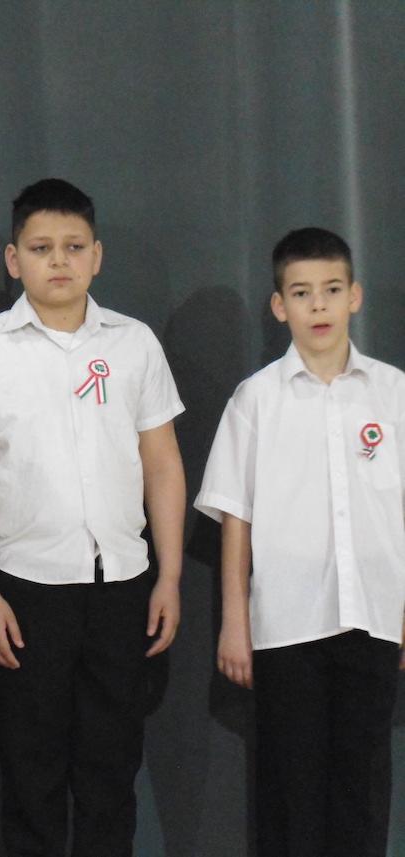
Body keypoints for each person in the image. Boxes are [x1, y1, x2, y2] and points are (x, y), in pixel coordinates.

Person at [0, 178, 185, 857]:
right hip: (25, 591)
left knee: (111, 776)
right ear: (14, 260)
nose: (59, 261)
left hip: (122, 586)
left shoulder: (133, 344)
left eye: (74, 247)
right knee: (31, 777)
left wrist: (168, 577)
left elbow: (163, 466)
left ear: (96, 256)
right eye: (41, 247)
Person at [195, 227, 405, 857]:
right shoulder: (256, 399)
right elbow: (236, 518)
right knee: (292, 792)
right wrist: (235, 622)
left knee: (362, 786)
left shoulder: (393, 393)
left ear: (355, 297)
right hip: (286, 626)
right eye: (302, 292)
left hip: (373, 617)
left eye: (332, 290)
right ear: (279, 305)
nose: (319, 305)